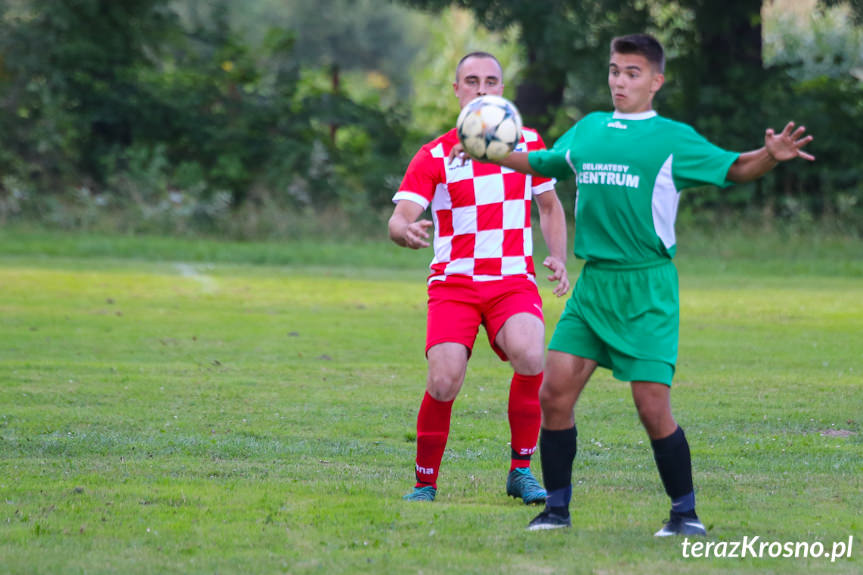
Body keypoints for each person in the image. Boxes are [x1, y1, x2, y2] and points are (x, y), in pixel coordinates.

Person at [451, 34, 814, 533]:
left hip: (646, 289)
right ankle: (556, 509)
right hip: (595, 285)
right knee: (554, 394)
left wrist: (769, 154)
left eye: (633, 73)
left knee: (651, 407)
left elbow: (735, 168)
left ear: (656, 81)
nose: (620, 81)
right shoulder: (591, 128)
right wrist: (491, 152)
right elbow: (543, 163)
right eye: (615, 70)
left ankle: (684, 514)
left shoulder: (672, 138)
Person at [388, 51, 570, 504]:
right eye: (472, 81)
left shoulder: (527, 142)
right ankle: (425, 483)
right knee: (444, 380)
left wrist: (559, 257)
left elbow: (548, 205)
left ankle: (521, 471)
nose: (482, 88)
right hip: (455, 285)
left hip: (512, 282)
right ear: (457, 90)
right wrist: (405, 231)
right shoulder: (434, 153)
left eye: (491, 80)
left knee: (531, 353)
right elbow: (400, 216)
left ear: (502, 89)